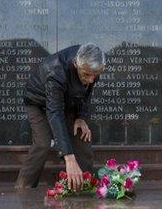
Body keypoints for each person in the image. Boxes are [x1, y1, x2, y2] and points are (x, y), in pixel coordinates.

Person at [14, 43, 105, 191]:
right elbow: (55, 113)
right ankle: (23, 188)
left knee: (81, 136)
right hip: (38, 103)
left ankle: (85, 186)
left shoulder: (93, 64)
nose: (91, 80)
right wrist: (68, 157)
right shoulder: (56, 72)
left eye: (94, 76)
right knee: (42, 143)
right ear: (76, 64)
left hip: (67, 101)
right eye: (86, 75)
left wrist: (81, 117)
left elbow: (86, 93)